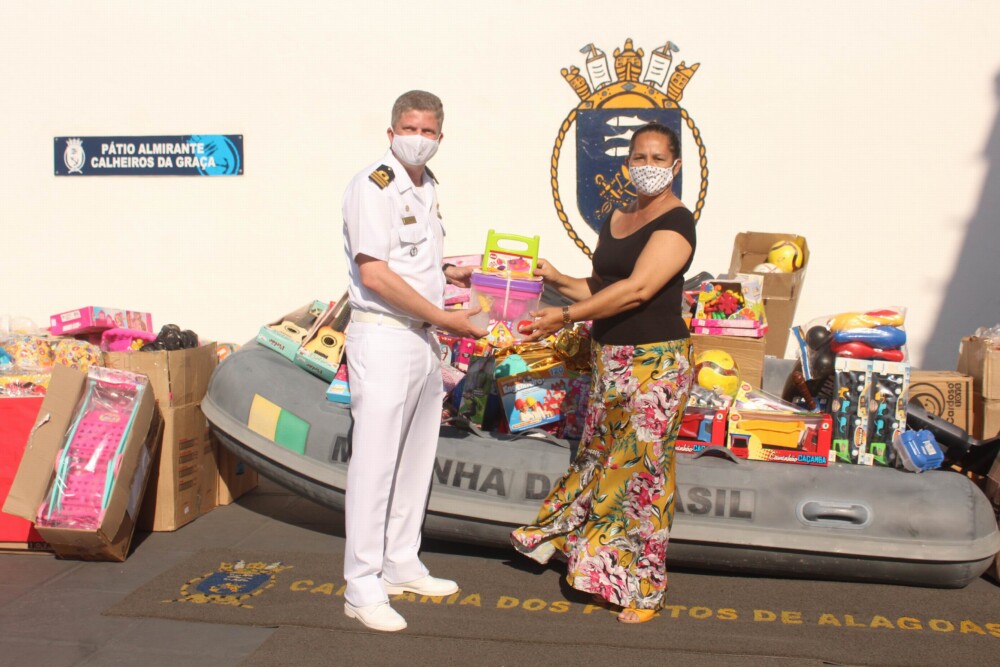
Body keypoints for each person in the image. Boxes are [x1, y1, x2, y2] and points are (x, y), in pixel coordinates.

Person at [511, 122, 696, 624]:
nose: (648, 166)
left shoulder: (677, 222)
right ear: (626, 163)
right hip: (609, 359)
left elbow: (637, 290)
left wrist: (566, 315)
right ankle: (605, 574)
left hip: (655, 364)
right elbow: (601, 286)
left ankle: (644, 590)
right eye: (639, 157)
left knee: (643, 475)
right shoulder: (618, 216)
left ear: (675, 166)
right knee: (601, 464)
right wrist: (556, 279)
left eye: (658, 158)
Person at [341, 90, 487, 632]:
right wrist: (447, 318)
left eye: (427, 131)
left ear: (440, 138)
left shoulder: (426, 188)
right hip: (384, 337)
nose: (417, 139)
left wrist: (450, 274)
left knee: (414, 460)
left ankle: (401, 561)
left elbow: (410, 259)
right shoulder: (373, 185)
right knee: (375, 465)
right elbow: (375, 273)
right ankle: (362, 585)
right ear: (390, 132)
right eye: (409, 128)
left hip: (422, 339)